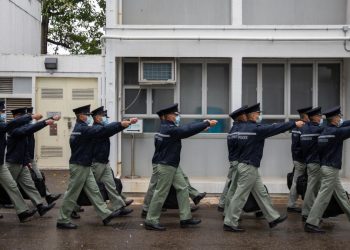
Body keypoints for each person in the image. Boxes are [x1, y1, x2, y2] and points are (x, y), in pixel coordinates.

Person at [224, 103, 305, 232]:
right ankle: (230, 222)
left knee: (261, 193)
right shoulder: (255, 129)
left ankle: (272, 218)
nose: (259, 115)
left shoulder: (241, 128)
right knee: (240, 196)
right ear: (253, 115)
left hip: (246, 165)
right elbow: (275, 128)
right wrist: (294, 124)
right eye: (258, 113)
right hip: (248, 166)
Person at [56, 105, 135, 229]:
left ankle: (105, 214)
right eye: (87, 115)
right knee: (72, 193)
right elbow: (102, 131)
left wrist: (121, 125)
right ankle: (62, 219)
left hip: (85, 165)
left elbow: (102, 131)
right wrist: (120, 124)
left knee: (94, 191)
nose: (89, 118)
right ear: (81, 116)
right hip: (79, 165)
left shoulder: (81, 128)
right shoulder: (82, 129)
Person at [144, 103, 217, 231]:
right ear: (167, 116)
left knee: (183, 188)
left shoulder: (166, 127)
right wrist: (206, 123)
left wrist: (201, 126)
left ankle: (185, 218)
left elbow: (185, 128)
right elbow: (185, 130)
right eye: (174, 114)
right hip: (166, 165)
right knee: (161, 192)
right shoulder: (169, 130)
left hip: (172, 164)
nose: (177, 117)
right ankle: (151, 220)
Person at [305, 106, 350, 233]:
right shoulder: (336, 132)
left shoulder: (324, 132)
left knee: (341, 195)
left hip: (325, 167)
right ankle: (311, 223)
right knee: (323, 197)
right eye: (339, 117)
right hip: (331, 169)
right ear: (335, 119)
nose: (341, 119)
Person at [6, 107, 57, 218]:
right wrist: (46, 122)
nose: (25, 119)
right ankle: (19, 209)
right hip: (13, 163)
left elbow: (25, 145)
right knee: (8, 189)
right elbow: (29, 129)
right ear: (16, 117)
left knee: (30, 185)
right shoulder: (13, 128)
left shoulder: (21, 127)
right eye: (23, 116)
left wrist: (27, 161)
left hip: (22, 163)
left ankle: (40, 206)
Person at [90, 106, 136, 215]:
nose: (105, 118)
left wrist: (125, 123)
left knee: (111, 185)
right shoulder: (96, 129)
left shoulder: (101, 128)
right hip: (96, 163)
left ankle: (118, 207)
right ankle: (73, 207)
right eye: (103, 116)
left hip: (103, 162)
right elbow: (110, 129)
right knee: (85, 186)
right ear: (96, 118)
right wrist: (122, 124)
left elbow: (110, 128)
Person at [0, 103, 37, 222]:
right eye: (1, 111)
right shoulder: (4, 126)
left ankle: (22, 212)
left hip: (1, 164)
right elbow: (12, 124)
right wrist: (31, 117)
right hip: (8, 161)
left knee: (12, 186)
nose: (3, 113)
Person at [25, 107, 61, 205]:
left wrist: (52, 118)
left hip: (29, 158)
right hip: (24, 159)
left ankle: (47, 197)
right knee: (26, 182)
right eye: (29, 115)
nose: (31, 117)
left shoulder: (28, 126)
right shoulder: (23, 128)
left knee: (38, 178)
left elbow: (38, 125)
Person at [218, 105, 248, 212]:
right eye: (244, 115)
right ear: (240, 117)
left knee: (230, 183)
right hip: (237, 161)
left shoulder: (233, 129)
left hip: (233, 160)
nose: (246, 116)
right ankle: (226, 209)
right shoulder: (239, 130)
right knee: (233, 186)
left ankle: (222, 204)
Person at [300, 107, 324, 221]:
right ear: (313, 117)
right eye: (319, 116)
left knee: (313, 187)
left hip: (309, 161)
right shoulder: (316, 129)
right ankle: (306, 212)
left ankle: (311, 212)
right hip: (315, 161)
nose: (321, 118)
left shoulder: (304, 129)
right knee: (312, 188)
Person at [287, 106, 312, 213]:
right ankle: (291, 205)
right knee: (297, 182)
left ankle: (295, 204)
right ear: (305, 116)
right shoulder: (302, 127)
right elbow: (303, 145)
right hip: (301, 159)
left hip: (298, 158)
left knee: (298, 181)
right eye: (309, 115)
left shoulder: (297, 127)